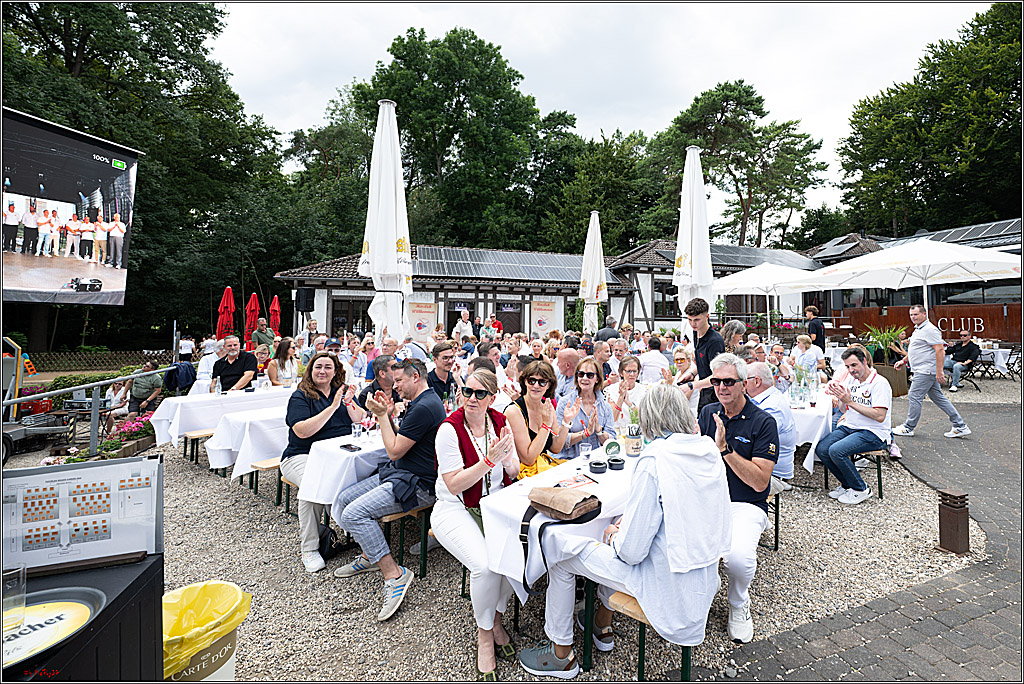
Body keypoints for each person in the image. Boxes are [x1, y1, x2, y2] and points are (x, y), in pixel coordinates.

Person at [518, 384, 731, 678]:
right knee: (612, 535)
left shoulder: (655, 459)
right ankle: (600, 623)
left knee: (561, 551)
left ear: (649, 418)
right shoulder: (707, 449)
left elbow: (631, 553)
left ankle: (561, 654)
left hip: (666, 583)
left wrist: (613, 535)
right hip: (702, 574)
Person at [333, 358, 445, 622]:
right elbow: (400, 441)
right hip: (402, 473)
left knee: (353, 514)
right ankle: (370, 554)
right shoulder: (423, 401)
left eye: (399, 381)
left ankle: (394, 574)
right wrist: (388, 415)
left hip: (418, 484)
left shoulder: (424, 406)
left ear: (415, 377)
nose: (395, 387)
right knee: (344, 498)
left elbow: (394, 451)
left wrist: (382, 415)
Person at [431, 369, 519, 679]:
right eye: (467, 391)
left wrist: (505, 458)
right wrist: (488, 461)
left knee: (516, 559)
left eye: (480, 394)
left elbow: (514, 469)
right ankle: (485, 634)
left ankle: (495, 618)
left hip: (493, 506)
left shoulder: (499, 421)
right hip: (453, 507)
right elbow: (454, 484)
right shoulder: (449, 429)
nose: (471, 398)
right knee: (484, 566)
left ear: (491, 399)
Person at [697, 353, 778, 644]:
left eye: (729, 382)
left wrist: (725, 450)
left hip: (745, 503)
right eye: (716, 381)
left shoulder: (763, 422)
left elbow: (759, 482)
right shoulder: (708, 413)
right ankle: (701, 592)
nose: (722, 387)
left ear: (744, 384)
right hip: (707, 500)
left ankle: (738, 602)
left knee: (739, 560)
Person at [281, 352, 366, 572]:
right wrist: (332, 407)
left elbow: (359, 419)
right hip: (301, 455)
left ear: (336, 371)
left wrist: (348, 402)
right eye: (318, 367)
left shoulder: (342, 392)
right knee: (312, 485)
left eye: (328, 367)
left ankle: (361, 535)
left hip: (338, 456)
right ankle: (309, 548)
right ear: (311, 370)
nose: (322, 371)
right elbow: (302, 431)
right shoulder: (300, 396)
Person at [818, 346, 893, 504]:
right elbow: (843, 409)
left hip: (873, 432)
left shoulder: (879, 383)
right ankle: (847, 485)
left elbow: (879, 416)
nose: (851, 370)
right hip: (851, 426)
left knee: (836, 451)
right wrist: (841, 398)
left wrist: (850, 402)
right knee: (822, 449)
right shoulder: (851, 380)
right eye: (847, 366)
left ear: (864, 361)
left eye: (854, 365)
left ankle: (860, 489)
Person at [893, 305, 971, 438]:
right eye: (911, 315)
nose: (913, 317)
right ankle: (960, 425)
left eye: (916, 314)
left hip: (925, 371)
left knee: (914, 396)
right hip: (924, 370)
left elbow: (940, 350)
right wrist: (904, 361)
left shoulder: (930, 330)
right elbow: (917, 349)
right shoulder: (918, 329)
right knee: (938, 398)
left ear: (924, 314)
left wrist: (939, 371)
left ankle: (908, 427)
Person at [504, 359, 569, 477]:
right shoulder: (514, 411)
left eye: (542, 382)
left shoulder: (547, 406)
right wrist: (546, 425)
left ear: (549, 385)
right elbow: (528, 459)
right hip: (522, 475)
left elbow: (556, 448)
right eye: (532, 380)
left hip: (543, 469)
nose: (536, 386)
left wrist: (566, 422)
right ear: (525, 382)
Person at [744, 362, 797, 489]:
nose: (741, 384)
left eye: (744, 380)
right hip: (764, 465)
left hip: (772, 475)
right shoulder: (767, 396)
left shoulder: (772, 408)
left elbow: (752, 442)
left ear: (757, 381)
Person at [554, 356, 615, 459]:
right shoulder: (565, 403)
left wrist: (599, 432)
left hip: (596, 460)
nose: (584, 378)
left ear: (597, 379)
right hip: (569, 461)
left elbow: (612, 442)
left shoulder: (605, 406)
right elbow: (558, 440)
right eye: (581, 374)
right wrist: (585, 433)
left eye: (590, 375)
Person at [679, 298, 726, 412]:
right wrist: (692, 373)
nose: (693, 324)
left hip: (716, 394)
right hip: (705, 390)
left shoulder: (715, 341)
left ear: (707, 317)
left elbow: (718, 375)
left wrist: (691, 385)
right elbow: (705, 362)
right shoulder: (696, 332)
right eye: (689, 320)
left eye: (697, 320)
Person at [606, 355, 646, 432]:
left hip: (637, 432)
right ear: (621, 372)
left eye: (634, 371)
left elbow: (644, 417)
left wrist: (630, 404)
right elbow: (613, 418)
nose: (632, 374)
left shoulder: (644, 390)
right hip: (617, 432)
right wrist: (621, 398)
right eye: (628, 371)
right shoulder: (611, 390)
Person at [428, 341, 459, 407]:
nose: (450, 361)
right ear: (434, 359)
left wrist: (458, 380)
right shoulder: (427, 381)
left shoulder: (455, 378)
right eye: (445, 358)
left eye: (451, 357)